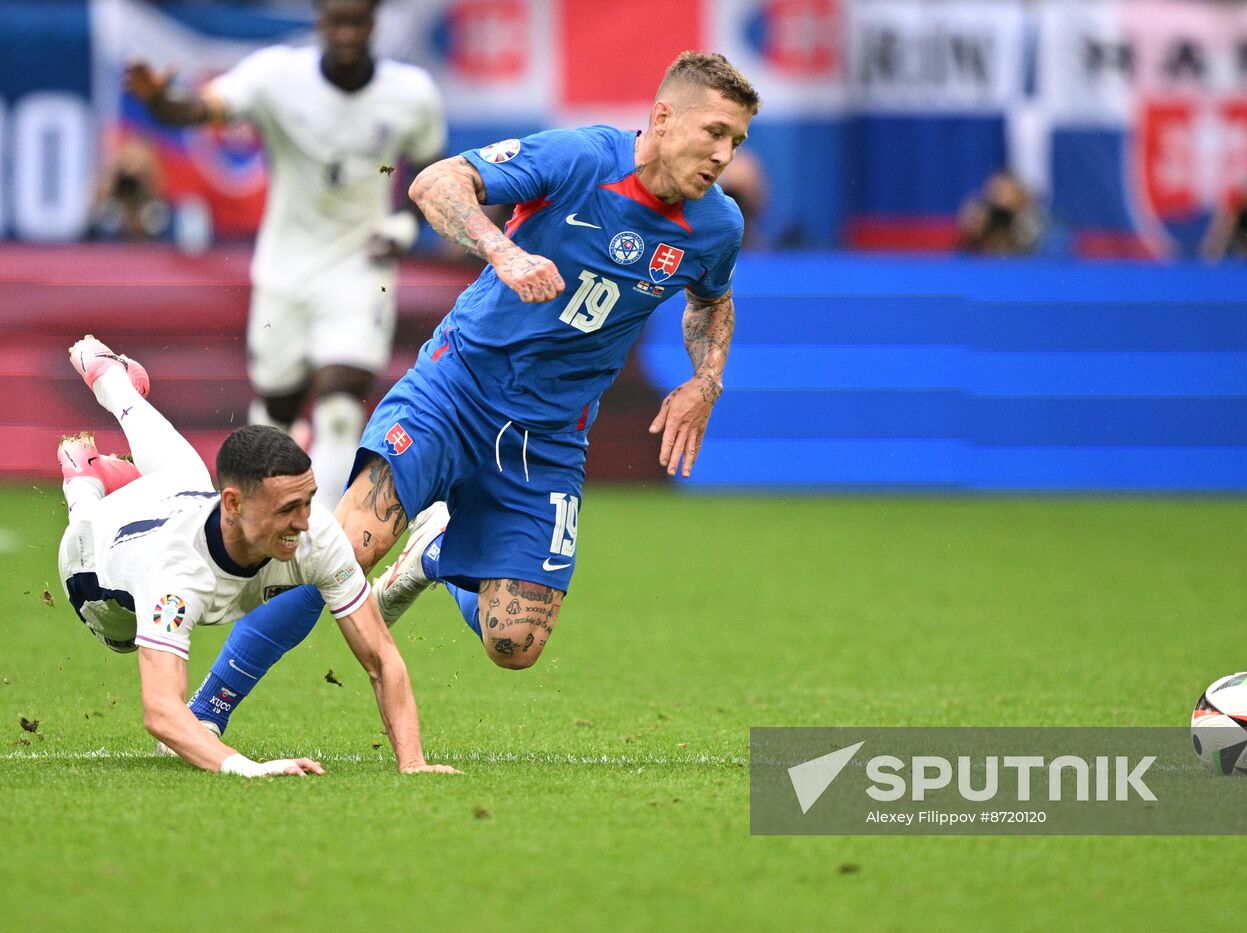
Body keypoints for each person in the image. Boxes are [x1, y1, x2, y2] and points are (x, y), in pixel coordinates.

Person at [182, 51, 760, 734]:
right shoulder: (579, 159)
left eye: (737, 141)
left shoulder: (717, 225)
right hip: (454, 393)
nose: (725, 154)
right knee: (340, 552)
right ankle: (205, 712)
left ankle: (436, 554)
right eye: (715, 132)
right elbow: (436, 183)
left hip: (545, 438)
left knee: (514, 644)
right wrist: (501, 249)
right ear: (664, 117)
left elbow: (709, 301)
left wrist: (706, 378)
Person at [58, 335, 457, 777]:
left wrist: (413, 761)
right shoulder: (175, 578)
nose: (304, 523)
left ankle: (112, 382)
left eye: (307, 501)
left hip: (177, 498)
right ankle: (85, 484)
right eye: (287, 509)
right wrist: (248, 767)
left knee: (186, 474)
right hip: (97, 569)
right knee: (120, 633)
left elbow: (381, 656)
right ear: (234, 505)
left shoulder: (314, 532)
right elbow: (162, 713)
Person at [124, 0, 446, 511]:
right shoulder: (277, 77)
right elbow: (202, 109)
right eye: (336, 20)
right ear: (320, 21)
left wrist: (403, 226)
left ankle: (322, 536)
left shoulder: (411, 94)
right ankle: (256, 528)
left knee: (341, 406)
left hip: (360, 268)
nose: (345, 32)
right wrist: (163, 102)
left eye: (356, 20)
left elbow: (430, 167)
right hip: (285, 269)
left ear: (373, 22)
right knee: (277, 413)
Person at [957, 170, 1042, 256]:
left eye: (1005, 193)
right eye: (995, 193)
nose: (1001, 201)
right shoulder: (978, 232)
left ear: (1022, 197)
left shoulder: (1036, 225)